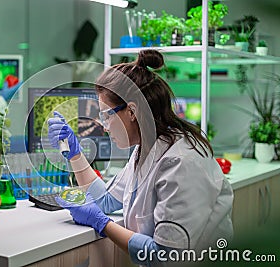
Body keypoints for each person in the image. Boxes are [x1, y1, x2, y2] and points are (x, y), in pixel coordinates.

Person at [48, 50, 233, 266]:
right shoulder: (147, 148)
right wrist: (75, 154)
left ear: (132, 111)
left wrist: (102, 224)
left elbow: (166, 257)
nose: (104, 127)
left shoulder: (182, 162)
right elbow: (106, 200)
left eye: (105, 116)